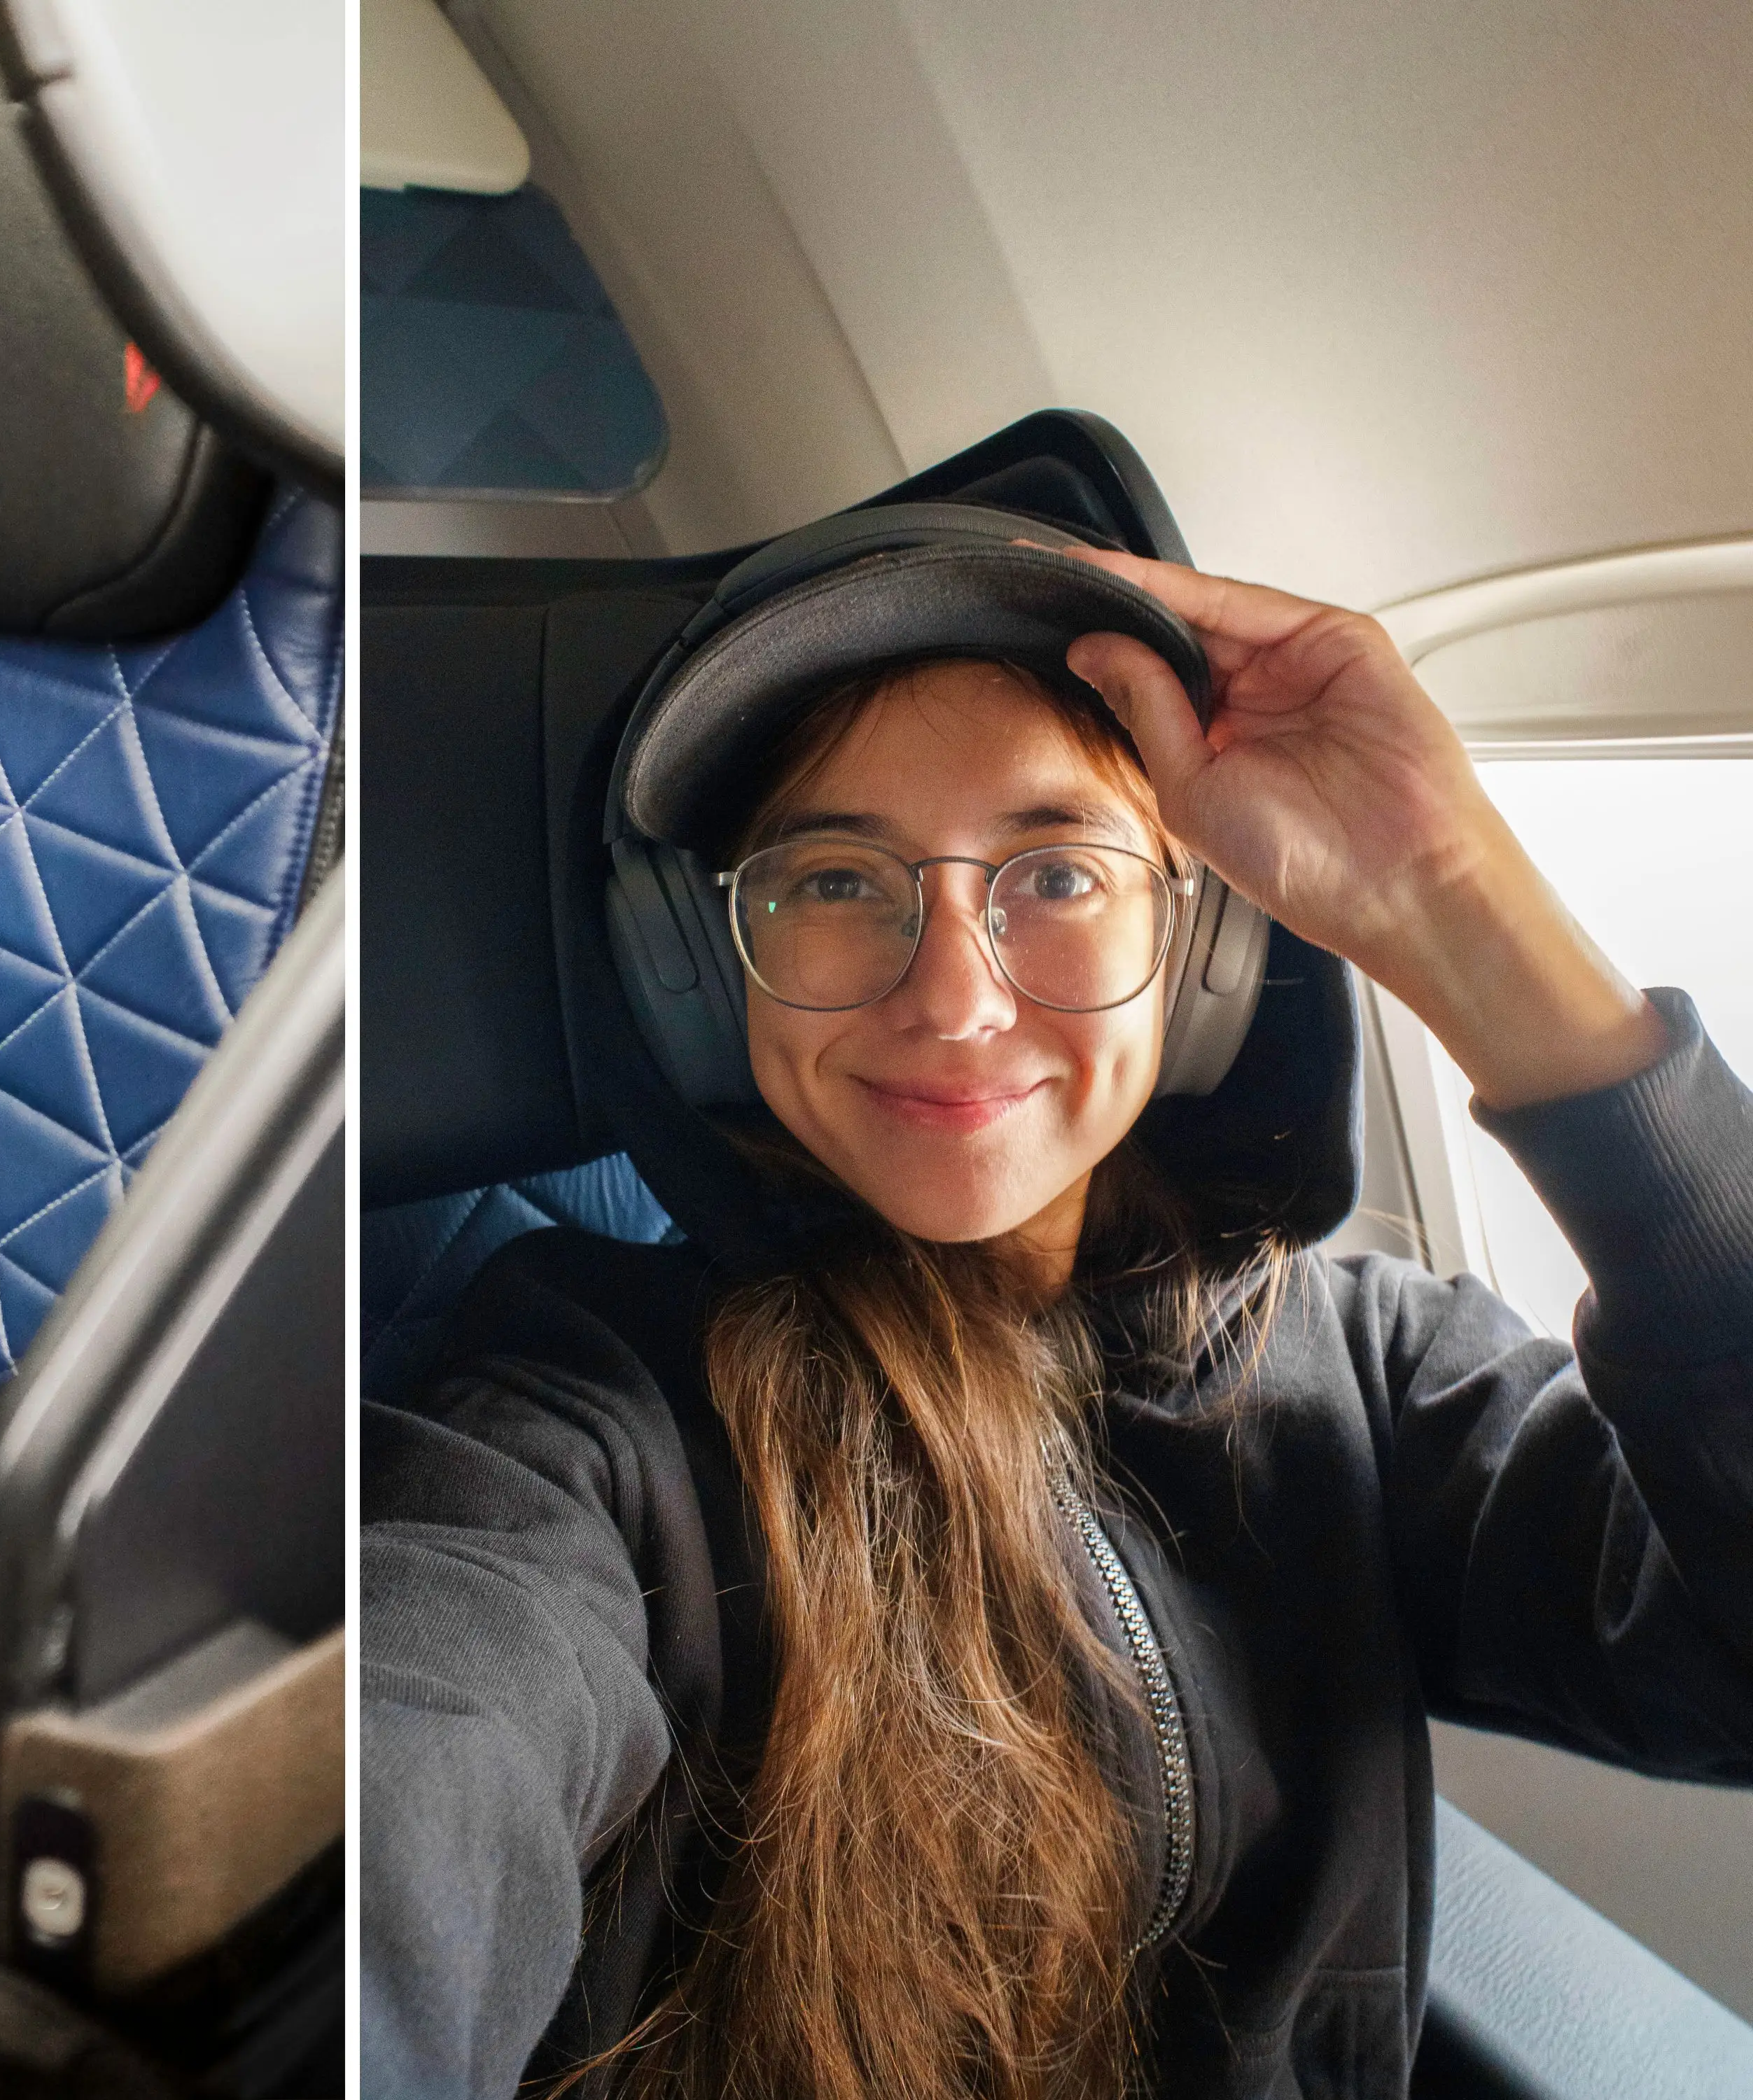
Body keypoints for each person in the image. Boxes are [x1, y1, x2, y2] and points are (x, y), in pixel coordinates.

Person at [361, 517, 1753, 2100]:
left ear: (1206, 944)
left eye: (1058, 872)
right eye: (832, 876)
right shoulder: (582, 1409)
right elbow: (414, 1762)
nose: (951, 995)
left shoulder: (1368, 1370)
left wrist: (1452, 901)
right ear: (698, 964)